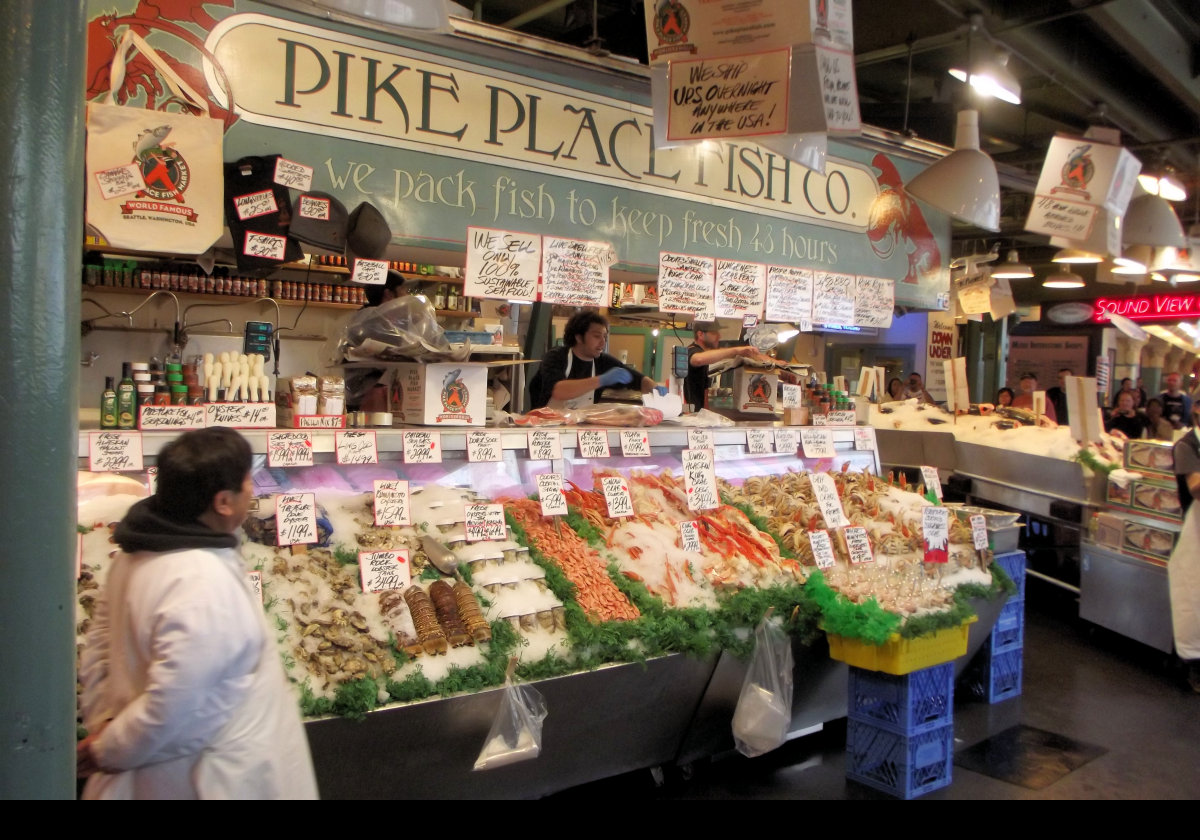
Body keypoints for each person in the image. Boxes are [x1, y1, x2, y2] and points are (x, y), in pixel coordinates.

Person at [77, 428, 318, 799]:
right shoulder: (200, 583)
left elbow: (97, 647)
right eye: (246, 483)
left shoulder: (133, 553)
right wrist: (107, 748)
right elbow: (176, 706)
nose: (253, 490)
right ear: (223, 502)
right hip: (204, 778)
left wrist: (102, 716)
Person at [530, 311, 662, 410]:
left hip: (583, 430)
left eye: (605, 337)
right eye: (597, 336)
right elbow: (558, 390)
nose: (602, 342)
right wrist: (601, 380)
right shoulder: (556, 356)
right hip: (546, 429)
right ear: (579, 337)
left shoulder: (603, 361)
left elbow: (639, 380)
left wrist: (655, 387)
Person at [1169, 400, 1200, 692]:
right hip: (1193, 531)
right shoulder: (1187, 445)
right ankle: (1187, 666)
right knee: (1191, 596)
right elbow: (1195, 487)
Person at [683, 321, 774, 410]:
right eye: (714, 332)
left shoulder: (704, 354)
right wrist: (737, 350)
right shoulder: (692, 351)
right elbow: (698, 359)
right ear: (700, 334)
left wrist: (772, 362)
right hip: (689, 416)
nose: (719, 336)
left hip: (698, 415)